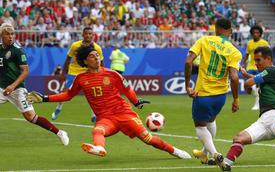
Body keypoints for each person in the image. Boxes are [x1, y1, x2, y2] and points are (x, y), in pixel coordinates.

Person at [27, 44, 191, 159]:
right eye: (92, 56)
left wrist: (136, 102)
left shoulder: (113, 74)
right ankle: (100, 148)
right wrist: (44, 98)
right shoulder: (81, 79)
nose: (96, 57)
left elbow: (127, 89)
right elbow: (68, 95)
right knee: (97, 131)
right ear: (85, 61)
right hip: (106, 118)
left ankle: (174, 151)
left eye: (97, 55)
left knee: (148, 139)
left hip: (124, 113)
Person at [184, 18, 242, 167]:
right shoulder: (235, 51)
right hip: (221, 96)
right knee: (211, 121)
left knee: (200, 126)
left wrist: (187, 86)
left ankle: (215, 154)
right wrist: (236, 99)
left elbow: (189, 62)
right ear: (229, 31)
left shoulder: (204, 41)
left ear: (216, 28)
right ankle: (205, 153)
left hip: (203, 93)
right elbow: (234, 77)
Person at [0, 23, 69, 146]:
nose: (10, 37)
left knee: (31, 117)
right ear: (1, 35)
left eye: (12, 34)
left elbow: (25, 71)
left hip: (17, 90)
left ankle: (60, 133)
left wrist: (12, 86)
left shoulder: (17, 51)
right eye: (7, 34)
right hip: (1, 88)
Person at [52, 27, 105, 122]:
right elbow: (68, 59)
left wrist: (103, 74)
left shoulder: (97, 48)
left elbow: (101, 62)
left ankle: (94, 114)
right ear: (83, 35)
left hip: (88, 72)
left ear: (93, 35)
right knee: (65, 91)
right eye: (86, 33)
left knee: (93, 93)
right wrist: (63, 73)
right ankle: (59, 107)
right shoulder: (75, 45)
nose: (88, 35)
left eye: (90, 34)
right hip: (74, 71)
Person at [241, 25, 270, 111]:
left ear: (260, 34)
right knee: (249, 84)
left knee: (257, 85)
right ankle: (258, 100)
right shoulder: (250, 43)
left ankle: (257, 104)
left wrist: (268, 65)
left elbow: (269, 55)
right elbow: (246, 55)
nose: (255, 34)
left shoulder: (264, 43)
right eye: (254, 32)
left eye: (257, 32)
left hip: (260, 67)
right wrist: (242, 64)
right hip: (250, 66)